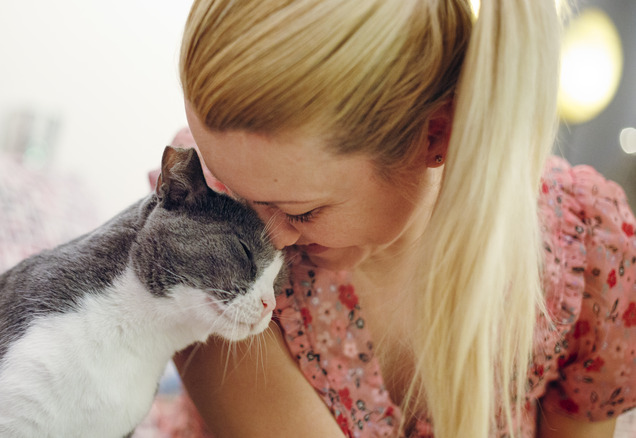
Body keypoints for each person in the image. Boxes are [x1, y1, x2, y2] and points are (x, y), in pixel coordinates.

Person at [154, 0, 636, 437]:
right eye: (230, 187)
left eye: (301, 211)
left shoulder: (590, 256)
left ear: (436, 137)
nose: (266, 238)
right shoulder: (200, 230)